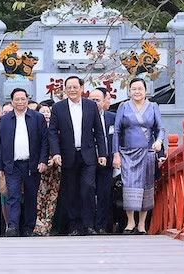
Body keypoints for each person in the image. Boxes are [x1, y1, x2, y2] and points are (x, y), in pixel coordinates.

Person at [48, 76, 107, 236]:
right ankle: (74, 226)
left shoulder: (91, 106)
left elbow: (99, 131)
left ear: (82, 88)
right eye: (69, 87)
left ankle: (89, 225)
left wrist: (102, 153)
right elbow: (52, 132)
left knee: (88, 188)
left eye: (75, 87)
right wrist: (56, 153)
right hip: (67, 155)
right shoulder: (58, 108)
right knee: (71, 191)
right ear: (65, 89)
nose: (72, 90)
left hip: (88, 155)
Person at [112, 78, 166, 235]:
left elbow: (160, 128)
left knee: (146, 186)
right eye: (133, 89)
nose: (136, 92)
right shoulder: (123, 106)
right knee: (129, 185)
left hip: (147, 152)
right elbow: (116, 131)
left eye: (139, 89)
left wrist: (159, 141)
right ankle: (130, 222)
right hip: (127, 152)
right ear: (129, 91)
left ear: (145, 90)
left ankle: (142, 224)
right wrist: (116, 154)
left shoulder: (153, 107)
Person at [0, 88, 49, 237]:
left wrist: (43, 160)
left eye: (23, 99)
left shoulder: (37, 117)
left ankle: (28, 227)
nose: (20, 102)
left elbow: (44, 141)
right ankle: (12, 226)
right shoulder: (5, 120)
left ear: (27, 100)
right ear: (12, 101)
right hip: (12, 165)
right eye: (17, 99)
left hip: (32, 164)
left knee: (31, 196)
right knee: (13, 195)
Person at [89, 87, 116, 235]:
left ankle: (101, 226)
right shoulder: (83, 117)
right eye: (91, 100)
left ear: (105, 100)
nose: (94, 103)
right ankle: (89, 225)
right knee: (87, 193)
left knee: (104, 194)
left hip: (108, 161)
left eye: (97, 100)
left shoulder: (113, 117)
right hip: (88, 162)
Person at [33, 104, 61, 236]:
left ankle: (50, 225)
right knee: (41, 197)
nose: (46, 114)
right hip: (41, 168)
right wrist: (44, 160)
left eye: (48, 111)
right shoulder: (37, 128)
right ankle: (40, 227)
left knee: (53, 198)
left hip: (57, 169)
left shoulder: (58, 128)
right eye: (42, 112)